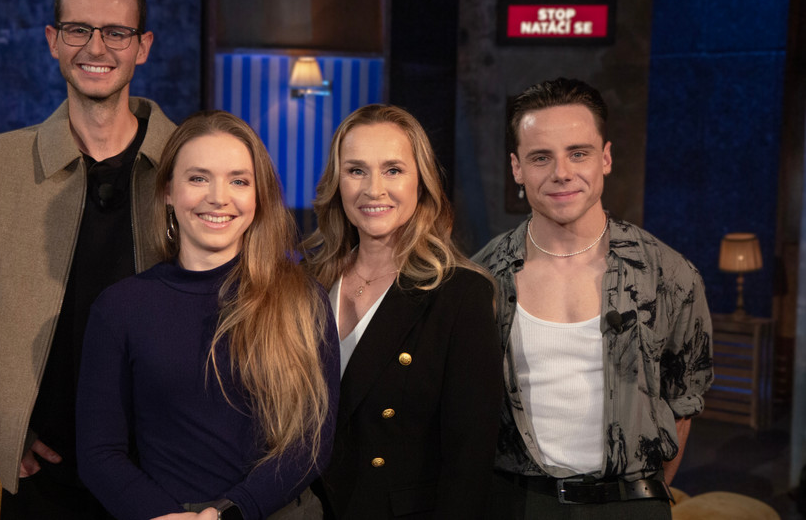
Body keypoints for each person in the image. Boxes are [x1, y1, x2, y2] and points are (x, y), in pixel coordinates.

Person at [0, 0, 176, 518]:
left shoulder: (189, 166)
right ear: (53, 40)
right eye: (78, 29)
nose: (96, 47)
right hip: (45, 482)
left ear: (142, 47)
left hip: (169, 472)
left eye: (116, 32)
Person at [75, 110, 339, 520]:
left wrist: (230, 513)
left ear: (259, 196)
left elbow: (310, 443)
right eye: (199, 178)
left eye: (239, 181)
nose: (219, 197)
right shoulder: (120, 308)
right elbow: (99, 453)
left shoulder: (302, 299)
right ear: (168, 191)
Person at [472, 78, 713, 519]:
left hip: (631, 504)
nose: (562, 172)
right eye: (541, 157)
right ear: (517, 168)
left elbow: (683, 401)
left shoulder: (669, 275)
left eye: (578, 153)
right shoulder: (482, 276)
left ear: (605, 158)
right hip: (514, 503)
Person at [303, 104, 503, 519]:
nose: (373, 189)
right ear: (337, 182)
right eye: (356, 170)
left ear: (421, 182)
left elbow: (469, 462)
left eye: (393, 170)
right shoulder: (306, 282)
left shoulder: (460, 295)